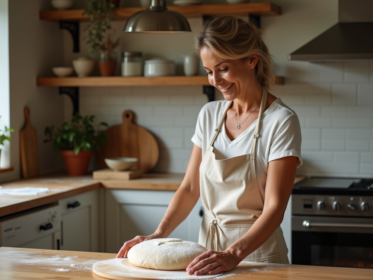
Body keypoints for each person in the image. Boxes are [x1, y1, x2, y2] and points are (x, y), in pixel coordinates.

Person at [116, 15, 302, 276]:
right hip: (206, 255)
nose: (214, 80)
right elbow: (190, 187)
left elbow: (274, 209)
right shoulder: (209, 114)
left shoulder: (281, 121)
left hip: (258, 258)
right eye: (208, 71)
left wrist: (232, 254)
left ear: (251, 60)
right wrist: (157, 234)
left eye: (223, 68)